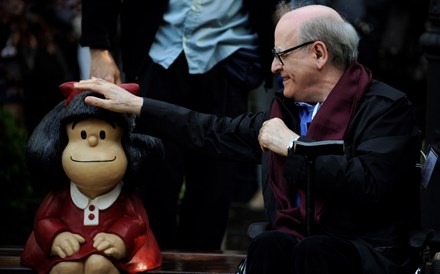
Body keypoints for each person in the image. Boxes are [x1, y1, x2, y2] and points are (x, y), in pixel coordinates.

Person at [75, 4, 421, 274]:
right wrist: (137, 106)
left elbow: (371, 185)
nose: (273, 67)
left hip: (365, 251)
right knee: (270, 245)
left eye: (281, 55)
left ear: (319, 54)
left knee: (315, 251)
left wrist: (293, 146)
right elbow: (208, 130)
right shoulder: (285, 112)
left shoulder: (387, 108)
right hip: (300, 247)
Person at [79, 0, 280, 251]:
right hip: (156, 52)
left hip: (229, 55)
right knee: (152, 183)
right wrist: (99, 48)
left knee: (214, 193)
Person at [20, 82, 162, 274]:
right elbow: (44, 219)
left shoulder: (124, 195)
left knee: (99, 265)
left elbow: (136, 221)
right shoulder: (62, 193)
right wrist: (56, 236)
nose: (92, 143)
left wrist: (120, 238)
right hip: (69, 252)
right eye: (83, 135)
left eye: (103, 135)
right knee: (64, 269)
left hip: (112, 254)